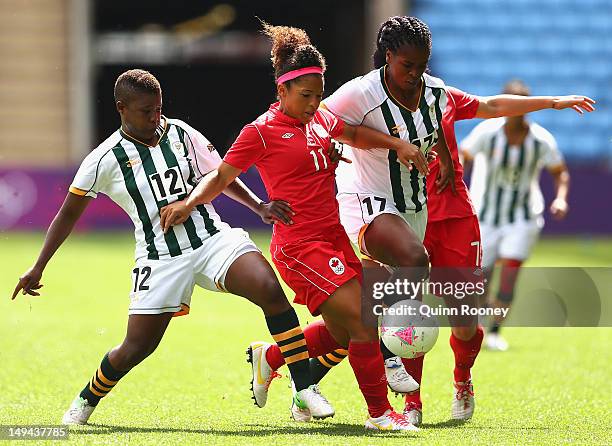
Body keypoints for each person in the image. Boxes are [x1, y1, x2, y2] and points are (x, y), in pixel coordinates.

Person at [298, 16, 595, 425]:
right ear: (388, 57)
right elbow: (321, 120)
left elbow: (490, 106)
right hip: (365, 201)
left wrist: (552, 102)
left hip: (416, 210)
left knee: (389, 312)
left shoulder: (436, 95)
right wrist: (386, 145)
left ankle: (286, 364)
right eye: (407, 65)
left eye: (422, 65)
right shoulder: (362, 92)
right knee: (410, 281)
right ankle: (403, 391)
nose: (415, 74)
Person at [11, 69, 335, 425]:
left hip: (212, 239)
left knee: (269, 289)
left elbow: (219, 173)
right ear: (122, 108)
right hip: (160, 257)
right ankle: (85, 401)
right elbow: (67, 215)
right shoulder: (103, 159)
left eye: (158, 109)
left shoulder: (180, 132)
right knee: (137, 348)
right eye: (145, 111)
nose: (155, 118)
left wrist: (258, 206)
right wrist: (38, 266)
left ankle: (304, 389)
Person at [160, 23, 429, 431]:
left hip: (333, 237)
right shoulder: (261, 132)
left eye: (319, 95)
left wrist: (398, 145)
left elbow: (353, 132)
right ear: (282, 91)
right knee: (362, 318)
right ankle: (380, 414)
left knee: (341, 333)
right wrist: (190, 203)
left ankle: (269, 358)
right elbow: (219, 175)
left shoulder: (320, 118)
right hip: (300, 247)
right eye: (305, 96)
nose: (313, 103)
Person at [460, 79, 575, 353]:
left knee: (510, 273)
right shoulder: (488, 132)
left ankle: (496, 331)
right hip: (485, 216)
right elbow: (464, 154)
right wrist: (459, 181)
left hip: (522, 217)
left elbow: (560, 173)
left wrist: (560, 199)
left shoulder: (541, 140)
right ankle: (487, 314)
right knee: (481, 278)